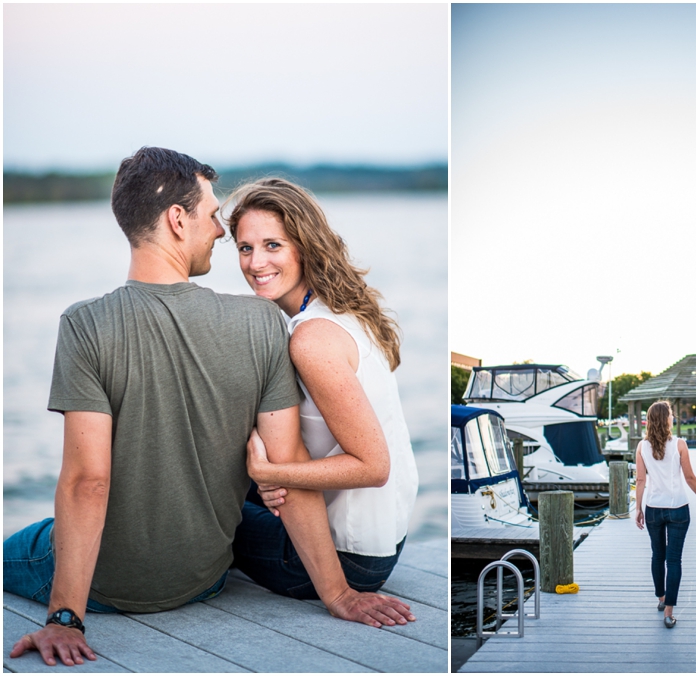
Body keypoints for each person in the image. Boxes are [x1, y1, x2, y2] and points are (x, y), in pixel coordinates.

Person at [3, 148, 413, 668]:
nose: (220, 231)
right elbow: (289, 478)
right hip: (206, 580)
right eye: (213, 215)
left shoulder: (84, 324)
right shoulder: (262, 324)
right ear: (178, 219)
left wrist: (65, 617)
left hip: (111, 583)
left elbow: (88, 482)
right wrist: (338, 594)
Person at [225, 177, 419, 599]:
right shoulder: (345, 311)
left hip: (350, 559)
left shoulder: (311, 339)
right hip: (385, 538)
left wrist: (271, 473)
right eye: (245, 248)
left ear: (305, 246)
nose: (256, 263)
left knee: (197, 503)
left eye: (273, 245)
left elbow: (373, 466)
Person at [635, 401, 696, 628]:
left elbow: (640, 480)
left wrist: (638, 508)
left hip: (653, 509)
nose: (673, 416)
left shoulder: (641, 446)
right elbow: (689, 477)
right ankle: (669, 611)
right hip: (678, 508)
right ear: (665, 419)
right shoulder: (679, 444)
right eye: (671, 414)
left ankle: (661, 597)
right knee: (673, 559)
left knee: (658, 555)